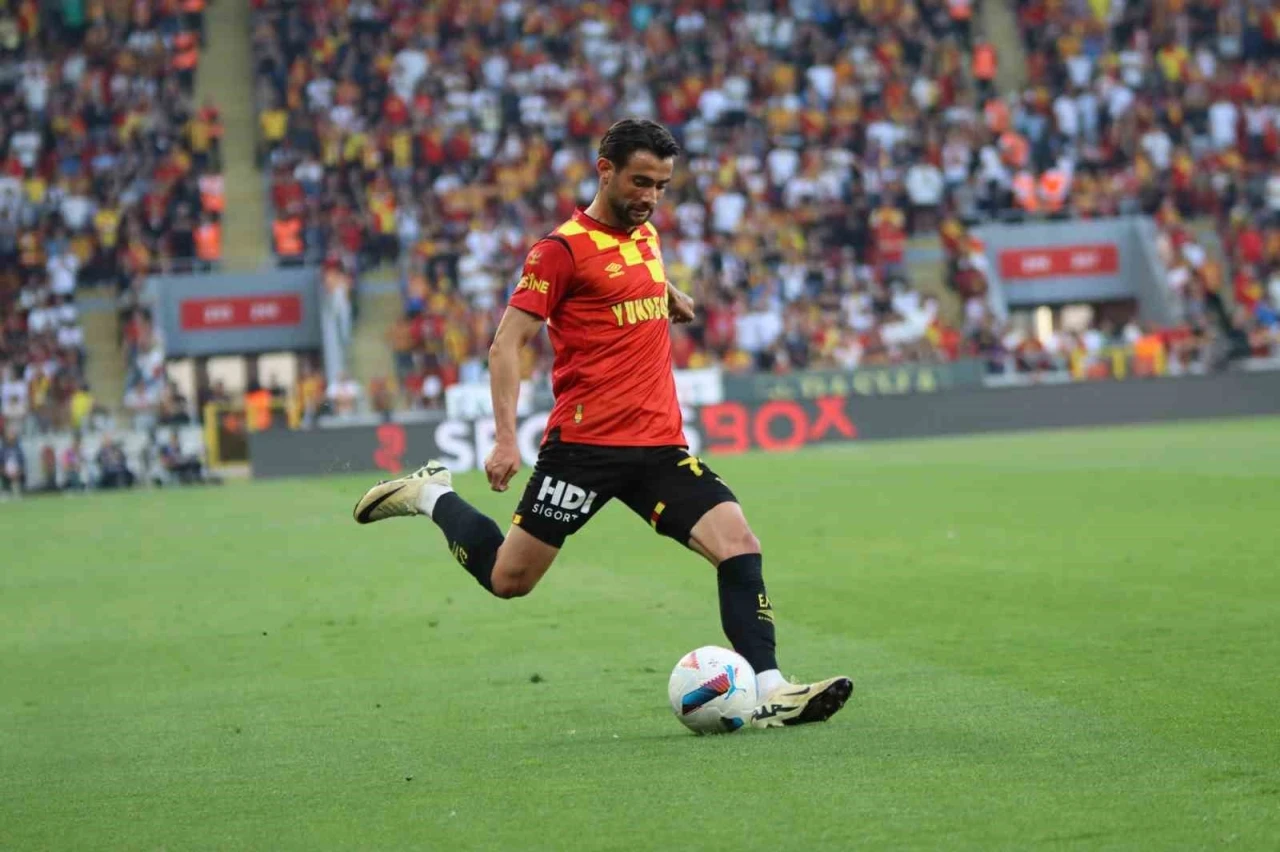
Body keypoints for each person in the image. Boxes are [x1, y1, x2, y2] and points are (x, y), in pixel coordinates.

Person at [352, 119, 852, 728]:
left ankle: (771, 690)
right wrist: (506, 438)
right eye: (640, 182)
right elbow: (506, 344)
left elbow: (627, 276)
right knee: (509, 579)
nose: (650, 197)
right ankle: (432, 494)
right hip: (583, 450)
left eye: (662, 186)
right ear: (605, 170)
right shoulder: (558, 252)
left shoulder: (647, 235)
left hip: (659, 446)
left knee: (739, 543)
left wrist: (668, 294)